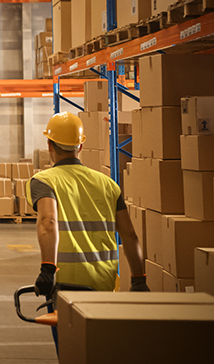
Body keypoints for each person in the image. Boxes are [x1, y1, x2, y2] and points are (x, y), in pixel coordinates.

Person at [26, 112, 149, 299]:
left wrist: (47, 270)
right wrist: (138, 279)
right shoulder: (108, 184)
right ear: (80, 146)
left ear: (49, 144)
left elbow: (48, 222)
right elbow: (129, 235)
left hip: (66, 283)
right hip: (105, 280)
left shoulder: (44, 182)